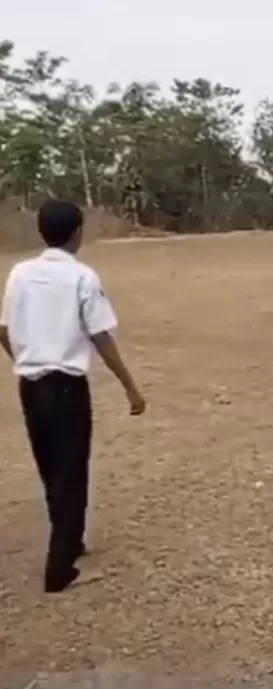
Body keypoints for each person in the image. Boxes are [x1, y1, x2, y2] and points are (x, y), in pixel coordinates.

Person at [0, 199, 146, 593]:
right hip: (65, 386)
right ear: (78, 232)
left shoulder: (19, 273)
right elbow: (100, 335)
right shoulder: (82, 277)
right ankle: (59, 569)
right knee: (71, 470)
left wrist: (27, 358)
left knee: (51, 467)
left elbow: (3, 327)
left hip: (31, 385)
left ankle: (70, 540)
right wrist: (130, 386)